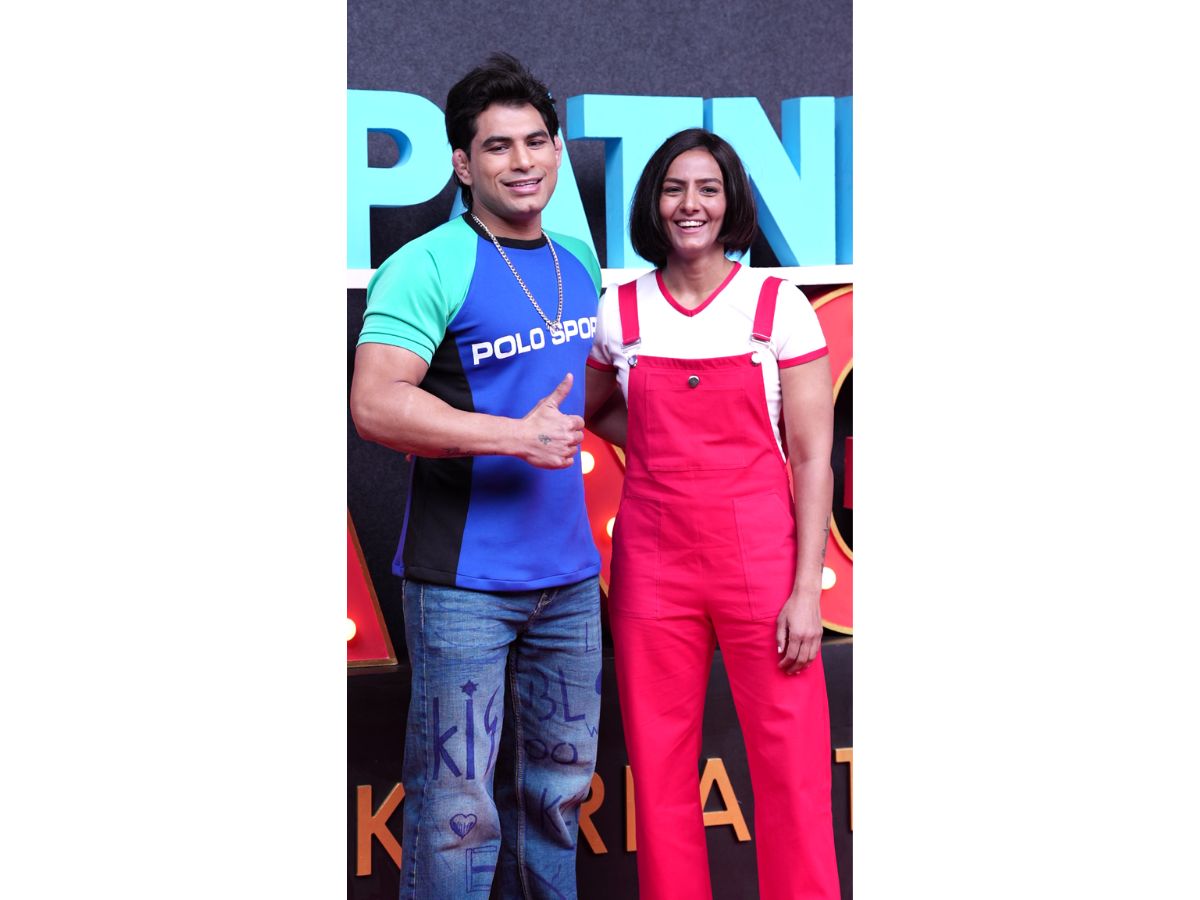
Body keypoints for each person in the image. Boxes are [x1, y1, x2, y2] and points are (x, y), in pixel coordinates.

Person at [350, 53, 604, 900]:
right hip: (463, 585)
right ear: (463, 164)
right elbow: (375, 404)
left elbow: (594, 400)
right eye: (498, 146)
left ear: (557, 150)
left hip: (569, 583)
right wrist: (512, 437)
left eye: (536, 141)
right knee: (457, 812)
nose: (521, 161)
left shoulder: (576, 259)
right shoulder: (426, 263)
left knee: (559, 799)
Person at [584, 128, 841, 900]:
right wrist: (660, 450)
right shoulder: (620, 310)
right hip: (653, 566)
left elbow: (812, 457)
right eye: (673, 188)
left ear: (731, 203)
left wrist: (806, 590)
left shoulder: (777, 305)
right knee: (660, 774)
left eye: (707, 188)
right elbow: (598, 409)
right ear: (652, 203)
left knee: (793, 769)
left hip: (762, 560)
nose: (689, 204)